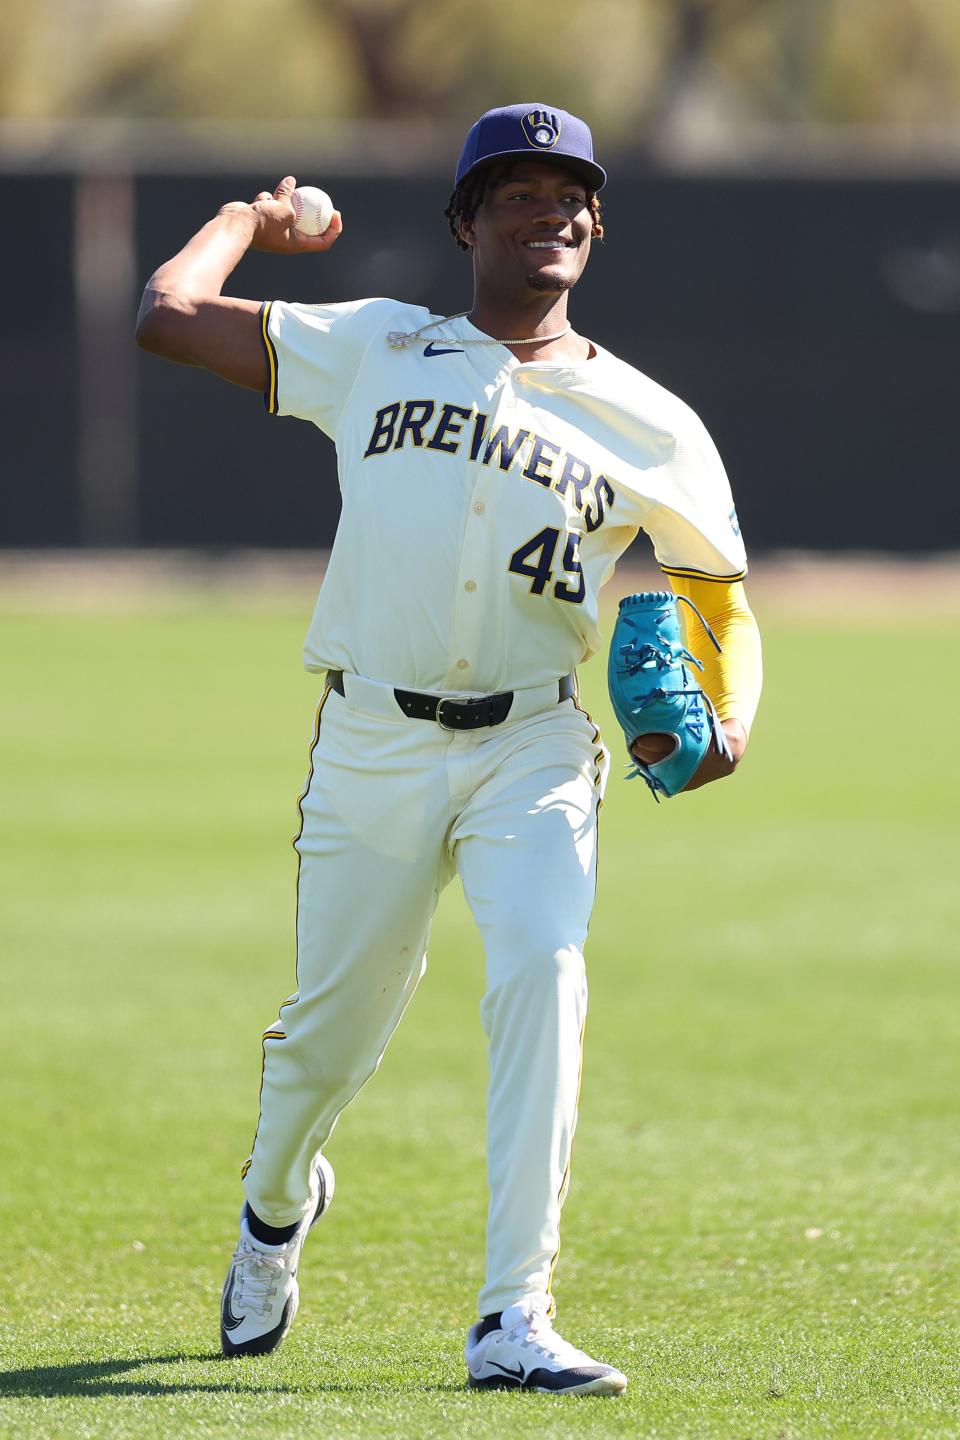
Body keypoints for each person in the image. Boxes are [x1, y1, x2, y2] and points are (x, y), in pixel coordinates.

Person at [136, 102, 762, 1395]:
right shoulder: (375, 345)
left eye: (573, 193)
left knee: (545, 969)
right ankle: (272, 1208)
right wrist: (248, 221)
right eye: (520, 191)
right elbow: (162, 316)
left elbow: (718, 598)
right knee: (326, 1046)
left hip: (535, 746)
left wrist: (733, 716)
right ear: (467, 222)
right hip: (371, 739)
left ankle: (511, 1318)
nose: (554, 211)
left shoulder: (652, 420)